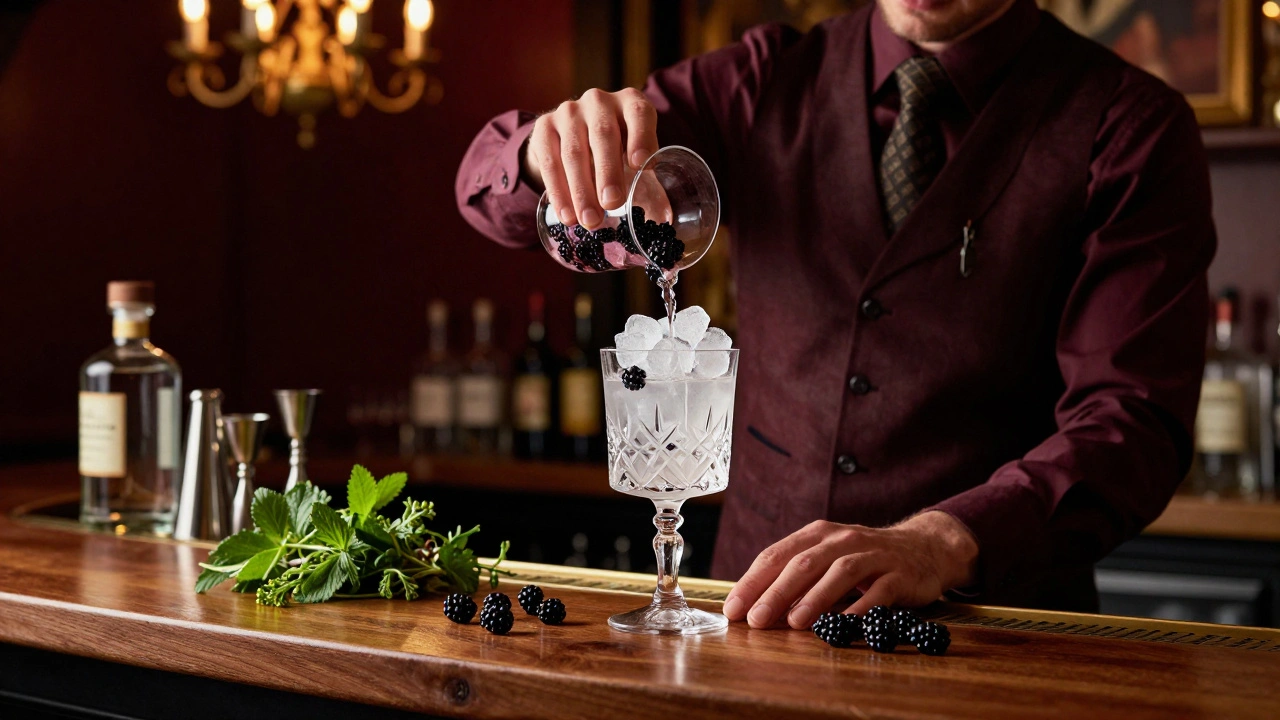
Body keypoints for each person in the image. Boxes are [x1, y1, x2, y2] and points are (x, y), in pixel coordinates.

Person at [455, 0, 1215, 629]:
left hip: (993, 634)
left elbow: (1132, 422)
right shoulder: (761, 80)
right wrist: (539, 154)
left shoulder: (1131, 127)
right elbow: (486, 193)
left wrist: (946, 540)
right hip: (749, 623)